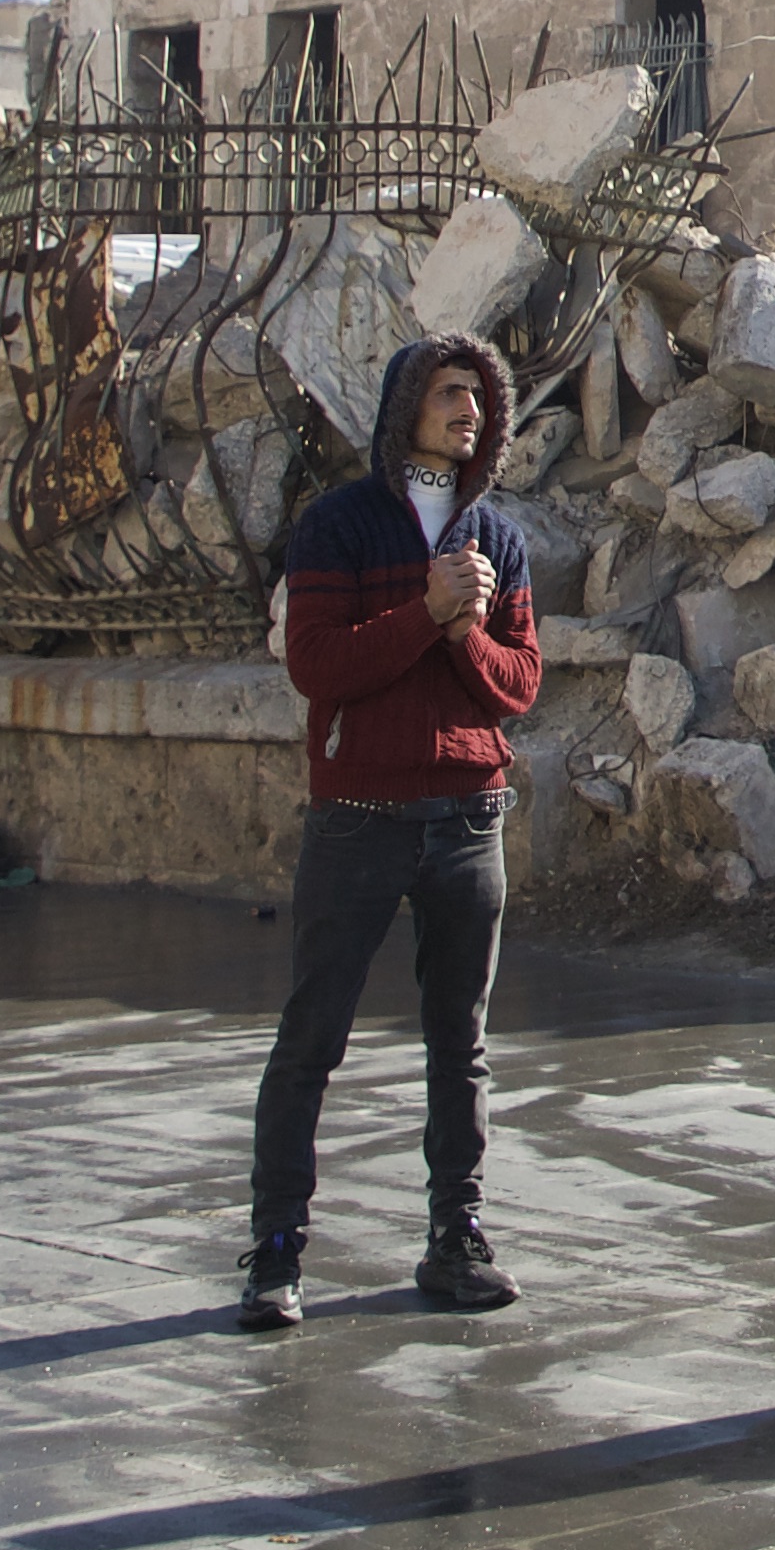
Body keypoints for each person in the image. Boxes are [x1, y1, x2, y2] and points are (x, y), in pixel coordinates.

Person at [241, 334, 550, 1330]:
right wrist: (425, 611)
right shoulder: (334, 528)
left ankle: (456, 1238)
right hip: (358, 821)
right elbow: (318, 666)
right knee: (311, 1039)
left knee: (460, 1048)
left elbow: (520, 685)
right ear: (405, 407)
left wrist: (463, 629)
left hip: (468, 820)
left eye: (479, 396)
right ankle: (277, 1250)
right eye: (449, 391)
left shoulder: (496, 540)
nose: (468, 409)